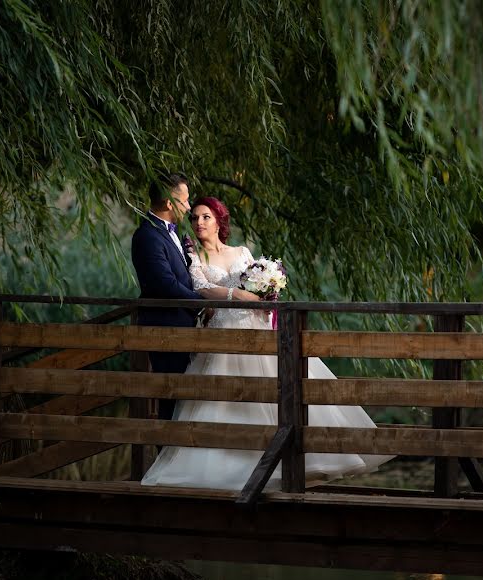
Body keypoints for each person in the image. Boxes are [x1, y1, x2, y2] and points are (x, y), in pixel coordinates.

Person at [141, 196, 392, 490]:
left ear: (219, 220)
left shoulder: (242, 251)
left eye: (205, 217)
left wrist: (268, 287)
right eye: (194, 217)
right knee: (227, 396)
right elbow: (202, 287)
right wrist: (238, 296)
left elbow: (257, 282)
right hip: (225, 331)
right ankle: (233, 467)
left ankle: (303, 458)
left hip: (258, 326)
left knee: (279, 386)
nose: (199, 223)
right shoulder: (194, 258)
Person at [130, 172, 202, 421]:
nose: (189, 206)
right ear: (170, 204)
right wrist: (202, 304)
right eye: (186, 201)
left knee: (184, 395)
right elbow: (166, 285)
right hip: (166, 329)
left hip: (182, 326)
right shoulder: (147, 236)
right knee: (171, 395)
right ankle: (167, 454)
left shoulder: (168, 233)